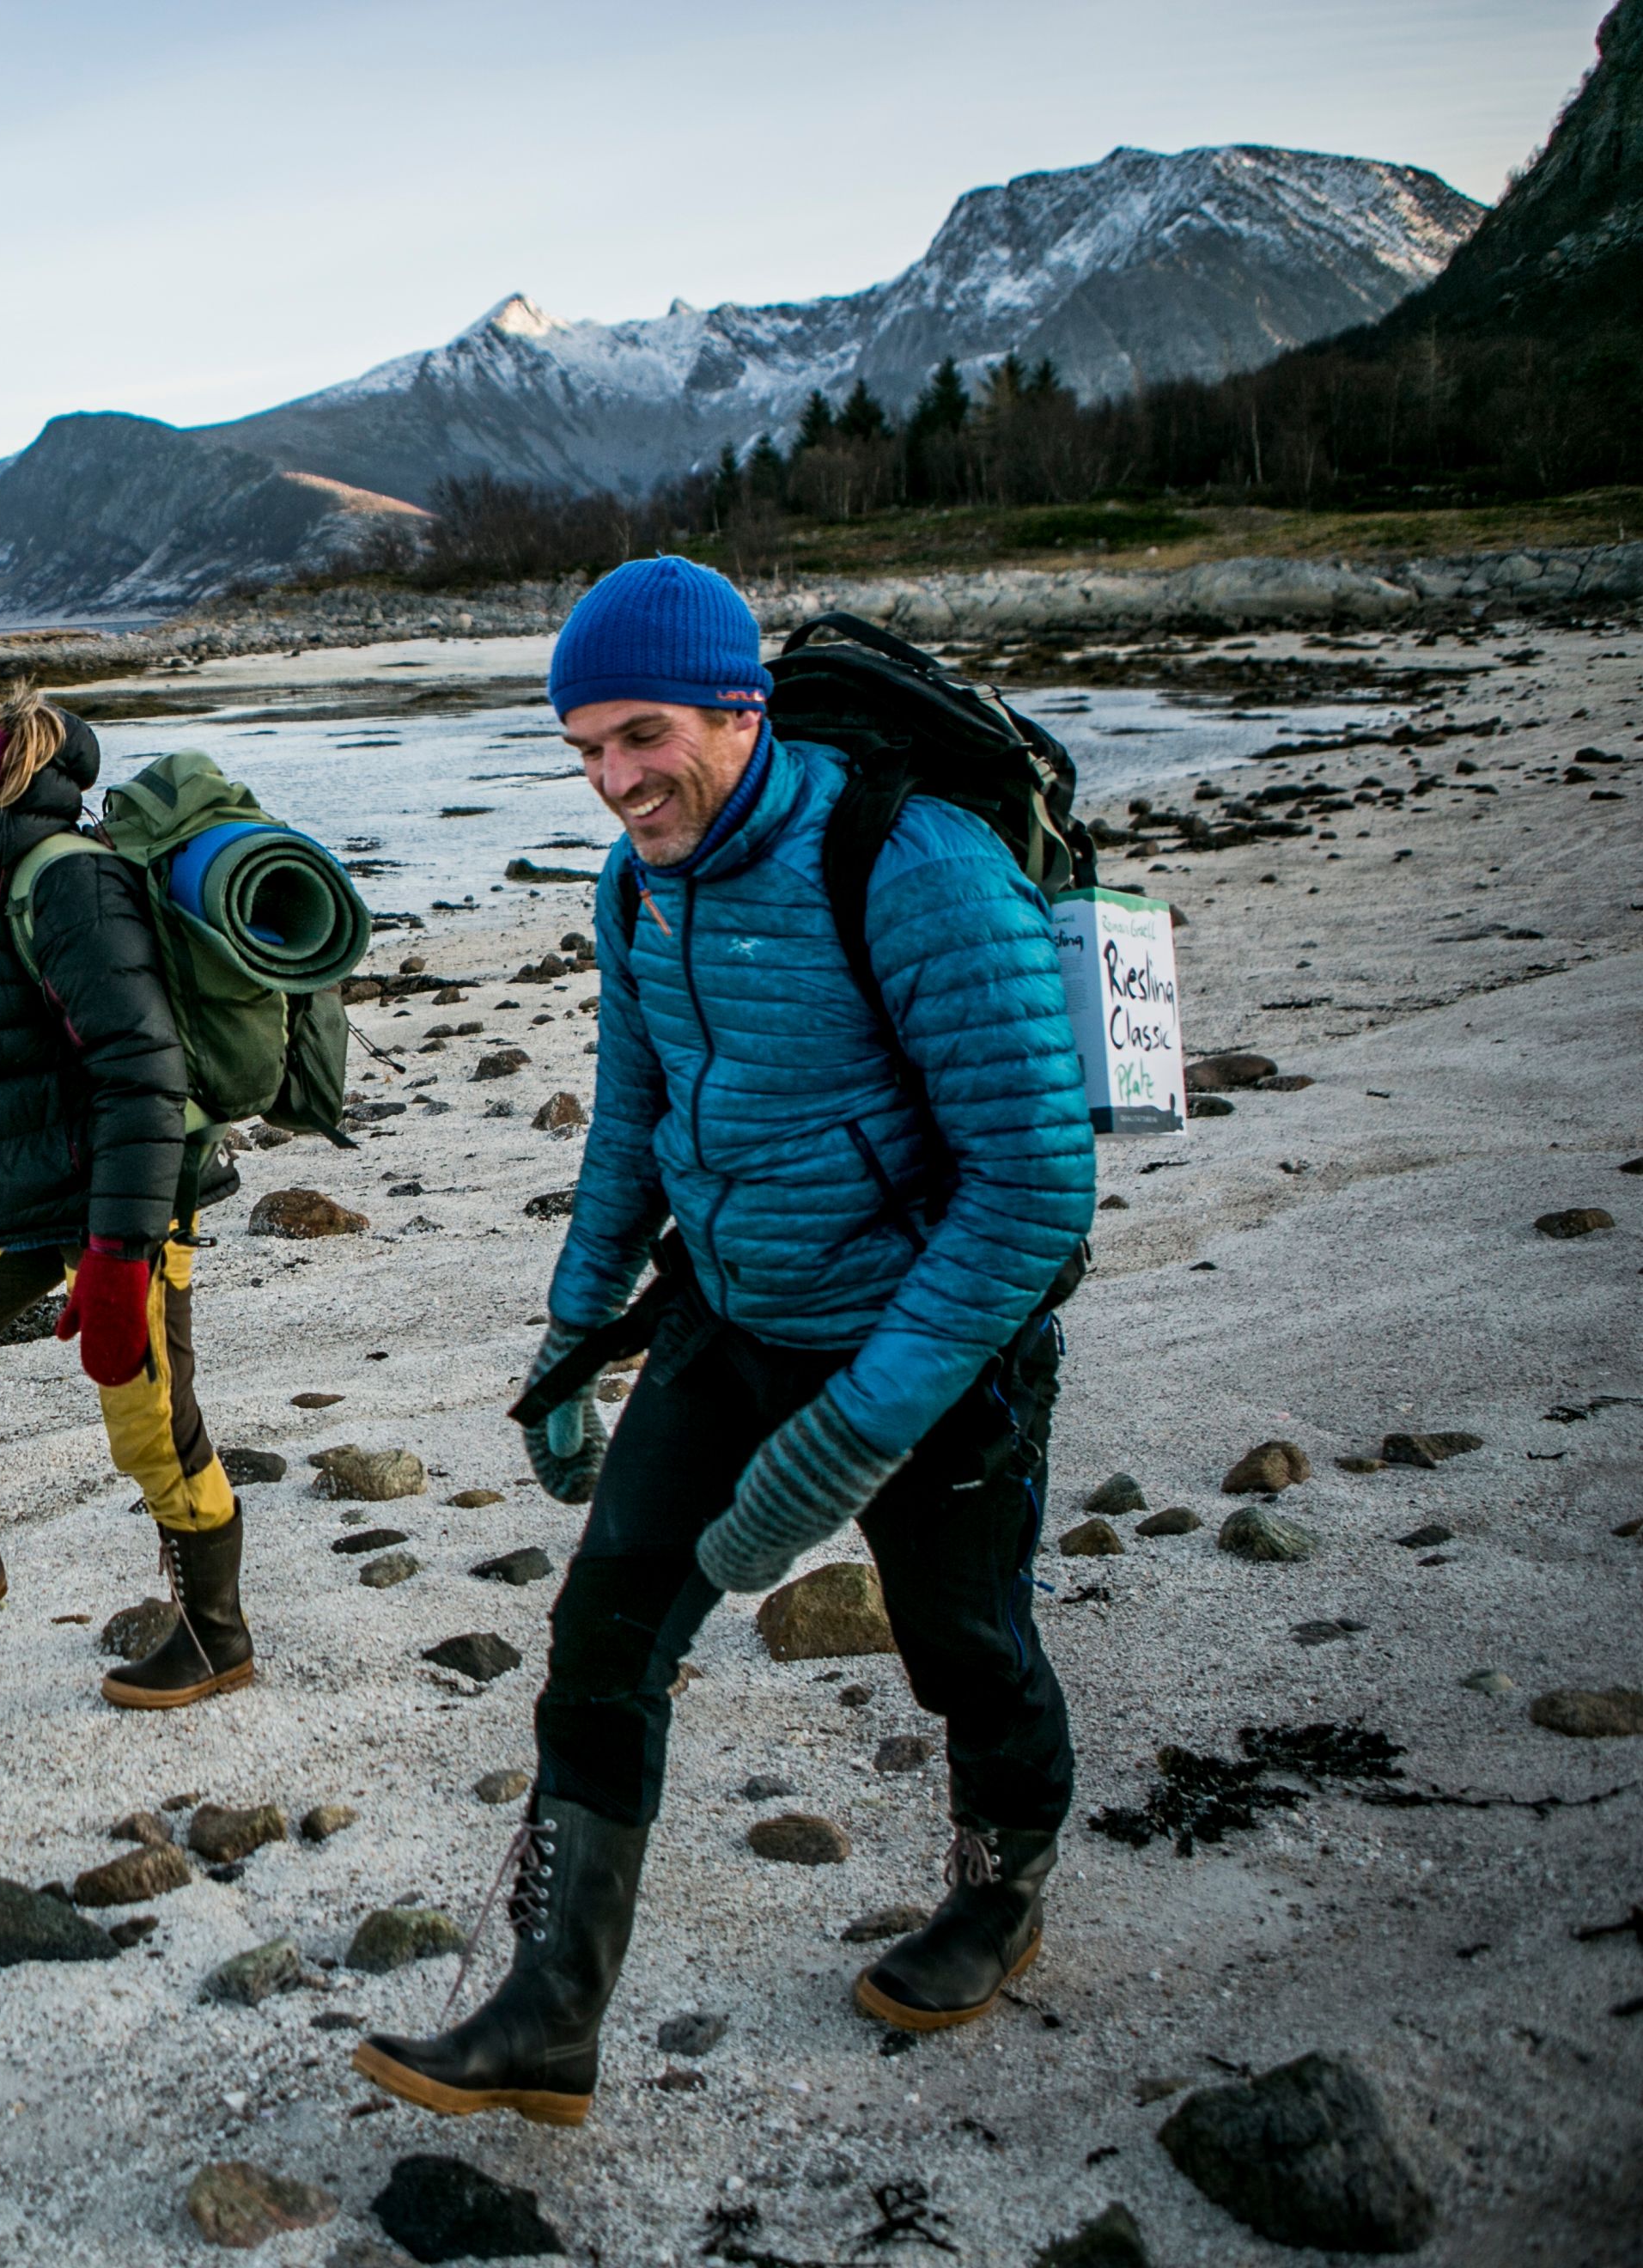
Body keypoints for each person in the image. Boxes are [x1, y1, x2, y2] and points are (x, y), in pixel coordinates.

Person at [354, 558, 1097, 2124]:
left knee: (961, 1646)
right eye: (585, 753)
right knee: (606, 1643)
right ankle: (547, 2016)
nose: (618, 783)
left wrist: (843, 1444)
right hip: (733, 1313)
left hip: (934, 1340)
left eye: (643, 736)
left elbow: (1034, 1191)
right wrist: (571, 1338)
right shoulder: (638, 886)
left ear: (737, 706)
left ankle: (1001, 1884)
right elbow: (636, 1116)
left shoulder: (915, 862)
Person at [0, 671, 253, 1709]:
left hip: (123, 1198)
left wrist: (121, 1259)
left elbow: (141, 1074)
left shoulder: (63, 880)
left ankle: (216, 1638)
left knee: (149, 1425)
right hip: (14, 1189)